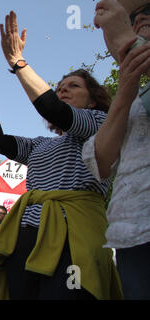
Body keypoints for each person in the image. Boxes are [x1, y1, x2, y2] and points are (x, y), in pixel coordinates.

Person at [0, 11, 122, 300]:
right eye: (59, 88)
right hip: (25, 236)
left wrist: (18, 63)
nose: (62, 92)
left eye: (73, 86)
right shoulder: (40, 145)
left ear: (93, 98)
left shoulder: (101, 123)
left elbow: (52, 108)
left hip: (73, 238)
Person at [82, 0, 150, 299]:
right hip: (132, 237)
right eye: (135, 19)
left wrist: (130, 44)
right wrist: (125, 89)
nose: (139, 24)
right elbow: (101, 160)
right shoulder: (132, 99)